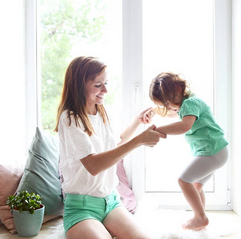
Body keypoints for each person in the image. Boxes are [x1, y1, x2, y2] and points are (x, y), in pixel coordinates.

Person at [55, 56, 166, 239]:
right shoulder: (70, 118)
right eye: (98, 85)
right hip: (81, 208)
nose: (105, 90)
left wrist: (137, 122)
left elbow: (114, 147)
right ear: (79, 85)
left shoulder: (101, 111)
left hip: (111, 203)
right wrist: (139, 141)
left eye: (105, 83)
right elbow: (93, 165)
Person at [145, 72, 228, 231]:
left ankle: (200, 218)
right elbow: (172, 113)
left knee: (184, 180)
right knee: (196, 186)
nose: (169, 107)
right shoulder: (187, 103)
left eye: (168, 102)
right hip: (216, 151)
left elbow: (184, 126)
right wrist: (155, 111)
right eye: (166, 105)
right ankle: (200, 220)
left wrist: (157, 130)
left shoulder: (190, 103)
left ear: (178, 88)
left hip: (212, 151)